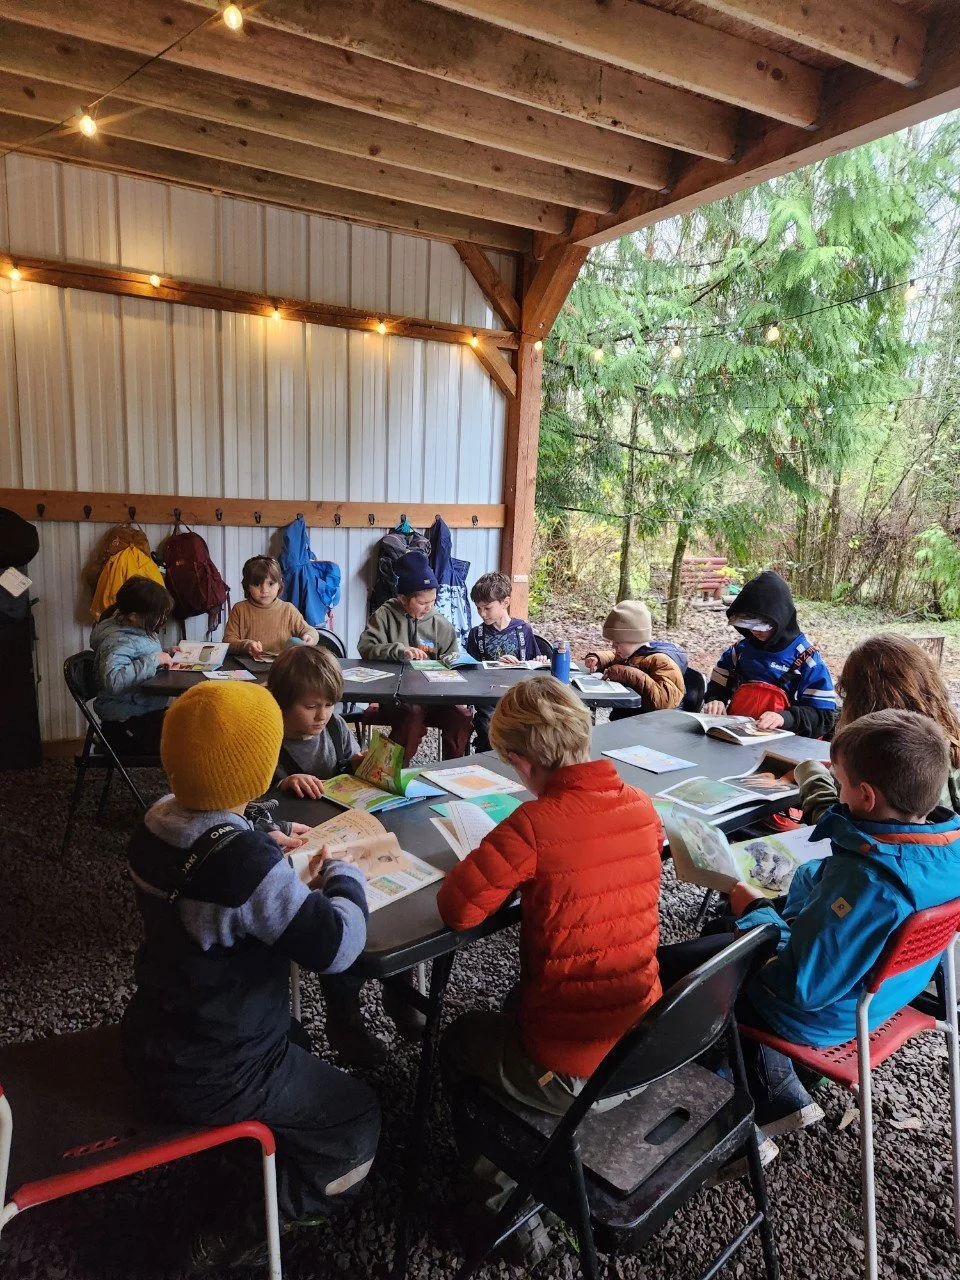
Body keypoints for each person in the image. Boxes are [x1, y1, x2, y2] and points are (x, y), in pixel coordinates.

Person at [121, 680, 380, 1270]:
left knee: (297, 1039)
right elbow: (336, 948)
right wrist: (345, 878)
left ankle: (246, 1151)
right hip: (218, 1067)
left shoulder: (154, 821)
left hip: (157, 1033)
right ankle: (255, 1224)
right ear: (260, 769)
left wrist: (262, 844)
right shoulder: (246, 870)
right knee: (356, 1116)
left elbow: (204, 851)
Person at [437, 676, 663, 1259]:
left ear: (521, 762)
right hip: (647, 1041)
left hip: (577, 1070)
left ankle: (503, 1208)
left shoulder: (534, 824)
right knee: (517, 1002)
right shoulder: (642, 807)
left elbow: (458, 909)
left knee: (459, 1040)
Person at [665, 709, 960, 1143]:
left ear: (865, 795)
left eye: (839, 782)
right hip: (880, 997)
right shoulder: (944, 851)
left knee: (671, 972)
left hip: (818, 1016)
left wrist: (756, 908)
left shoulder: (868, 883)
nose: (837, 791)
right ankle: (757, 1077)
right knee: (720, 934)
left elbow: (797, 985)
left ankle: (755, 1105)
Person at [266, 646, 424, 1066]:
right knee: (331, 920)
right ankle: (344, 1018)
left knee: (393, 899)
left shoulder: (334, 727)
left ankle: (400, 992)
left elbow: (346, 762)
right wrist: (283, 784)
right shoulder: (267, 738)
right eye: (310, 707)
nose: (322, 715)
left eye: (329, 704)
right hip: (300, 852)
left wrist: (362, 764)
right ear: (281, 702)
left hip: (347, 835)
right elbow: (252, 800)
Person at [796, 633, 960, 824]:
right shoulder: (946, 740)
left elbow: (842, 829)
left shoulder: (892, 757)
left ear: (861, 700)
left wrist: (813, 778)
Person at [358, 550, 472, 763]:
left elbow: (452, 658)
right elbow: (365, 647)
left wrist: (453, 664)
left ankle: (451, 770)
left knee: (461, 717)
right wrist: (399, 650)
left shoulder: (440, 623)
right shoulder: (384, 615)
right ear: (403, 598)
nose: (429, 607)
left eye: (433, 601)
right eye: (422, 603)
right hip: (396, 698)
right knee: (413, 715)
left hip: (434, 697)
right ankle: (392, 771)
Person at [703, 569, 837, 738]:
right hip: (736, 737)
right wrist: (716, 700)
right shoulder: (738, 652)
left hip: (786, 743)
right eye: (749, 625)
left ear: (781, 619)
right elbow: (718, 686)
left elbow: (824, 717)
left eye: (763, 625)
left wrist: (785, 718)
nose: (755, 631)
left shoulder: (807, 660)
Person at [91, 575, 175, 754]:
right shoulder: (118, 640)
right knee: (187, 734)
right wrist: (154, 660)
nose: (162, 619)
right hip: (126, 724)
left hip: (140, 711)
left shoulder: (134, 628)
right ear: (134, 617)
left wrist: (167, 654)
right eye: (158, 615)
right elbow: (113, 679)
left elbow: (137, 654)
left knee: (186, 720)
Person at [464, 570, 541, 752]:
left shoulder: (523, 630)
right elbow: (468, 671)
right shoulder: (476, 634)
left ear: (505, 602)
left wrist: (538, 660)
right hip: (487, 702)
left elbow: (535, 666)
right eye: (478, 608)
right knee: (490, 729)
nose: (482, 614)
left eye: (487, 608)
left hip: (519, 700)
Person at [583, 600, 686, 721]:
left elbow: (664, 702)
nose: (613, 646)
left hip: (656, 723)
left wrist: (625, 673)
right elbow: (615, 658)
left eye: (618, 642)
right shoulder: (632, 653)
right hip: (630, 718)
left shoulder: (662, 661)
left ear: (634, 639)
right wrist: (599, 659)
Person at [223, 555, 320, 657]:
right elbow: (228, 641)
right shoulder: (240, 609)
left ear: (279, 584)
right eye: (257, 584)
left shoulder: (288, 610)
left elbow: (310, 631)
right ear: (247, 586)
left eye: (270, 584)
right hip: (247, 663)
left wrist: (309, 637)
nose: (264, 590)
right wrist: (246, 645)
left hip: (282, 663)